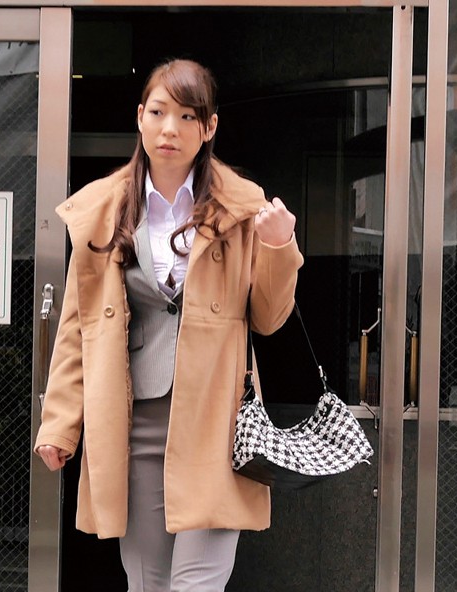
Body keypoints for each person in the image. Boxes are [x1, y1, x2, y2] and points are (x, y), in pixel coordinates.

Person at [34, 58, 303, 592]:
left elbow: (270, 318)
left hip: (217, 421)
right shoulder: (103, 211)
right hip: (133, 424)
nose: (170, 129)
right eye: (158, 112)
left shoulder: (241, 208)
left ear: (209, 127)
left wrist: (279, 246)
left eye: (186, 116)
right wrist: (60, 424)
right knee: (148, 582)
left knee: (196, 584)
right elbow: (77, 328)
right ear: (140, 117)